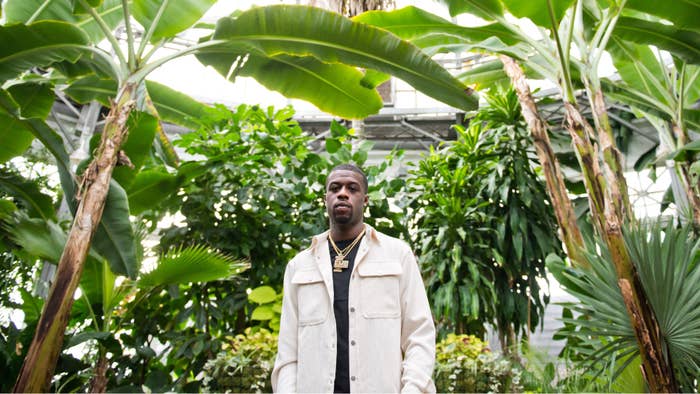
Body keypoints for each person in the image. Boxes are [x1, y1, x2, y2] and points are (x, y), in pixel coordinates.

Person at [271, 163, 436, 393]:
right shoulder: (300, 266)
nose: (342, 193)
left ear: (365, 200)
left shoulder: (397, 256)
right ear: (325, 198)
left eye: (352, 188)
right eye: (335, 188)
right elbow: (288, 352)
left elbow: (419, 335)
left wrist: (413, 390)